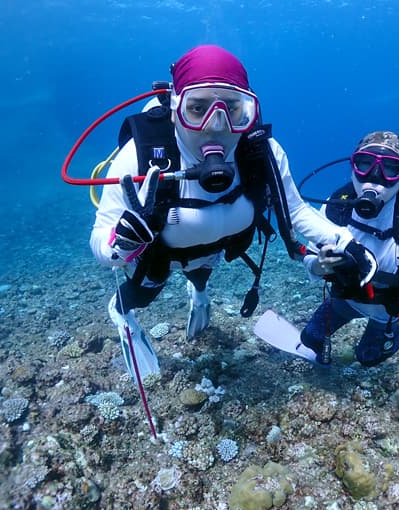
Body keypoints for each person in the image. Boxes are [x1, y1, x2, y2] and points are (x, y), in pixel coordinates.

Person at [89, 45, 376, 383]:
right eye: (197, 109)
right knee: (146, 291)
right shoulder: (139, 158)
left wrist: (346, 243)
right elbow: (102, 242)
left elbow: (295, 211)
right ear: (174, 109)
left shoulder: (262, 152)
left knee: (201, 272)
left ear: (249, 110)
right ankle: (124, 318)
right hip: (160, 251)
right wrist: (121, 245)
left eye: (233, 110)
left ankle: (198, 294)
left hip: (214, 246)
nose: (216, 127)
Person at [299, 130, 399, 368]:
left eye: (390, 169)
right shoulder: (337, 207)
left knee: (367, 358)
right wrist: (318, 265)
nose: (374, 179)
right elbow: (311, 258)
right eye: (365, 165)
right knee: (310, 338)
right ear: (353, 167)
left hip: (390, 309)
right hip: (347, 298)